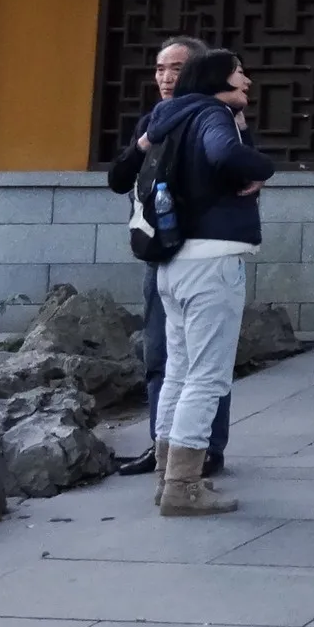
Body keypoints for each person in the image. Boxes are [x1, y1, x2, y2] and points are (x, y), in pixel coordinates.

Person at [143, 47, 275, 517]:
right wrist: (261, 168)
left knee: (178, 371)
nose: (247, 81)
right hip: (214, 260)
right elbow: (225, 156)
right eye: (240, 73)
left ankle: (166, 477)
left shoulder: (168, 119)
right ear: (219, 79)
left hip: (173, 261)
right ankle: (184, 486)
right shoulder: (214, 114)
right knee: (207, 376)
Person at [105, 34, 227, 478]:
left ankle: (206, 447)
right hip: (159, 255)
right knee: (159, 356)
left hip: (201, 254)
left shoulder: (215, 119)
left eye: (175, 69)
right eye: (159, 69)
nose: (164, 77)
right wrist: (143, 143)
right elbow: (118, 179)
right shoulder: (151, 121)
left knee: (206, 358)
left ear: (195, 73)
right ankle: (163, 444)